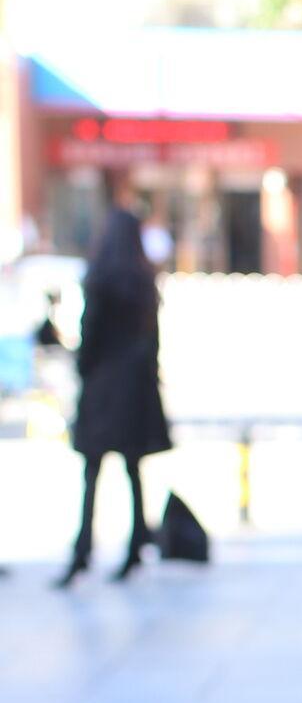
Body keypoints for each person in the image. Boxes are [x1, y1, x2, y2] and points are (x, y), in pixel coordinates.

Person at [54, 188, 171, 587]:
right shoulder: (143, 282)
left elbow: (89, 335)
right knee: (132, 470)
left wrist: (85, 370)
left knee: (93, 471)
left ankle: (84, 550)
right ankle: (135, 543)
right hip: (135, 388)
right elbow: (153, 342)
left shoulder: (101, 279)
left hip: (105, 388)